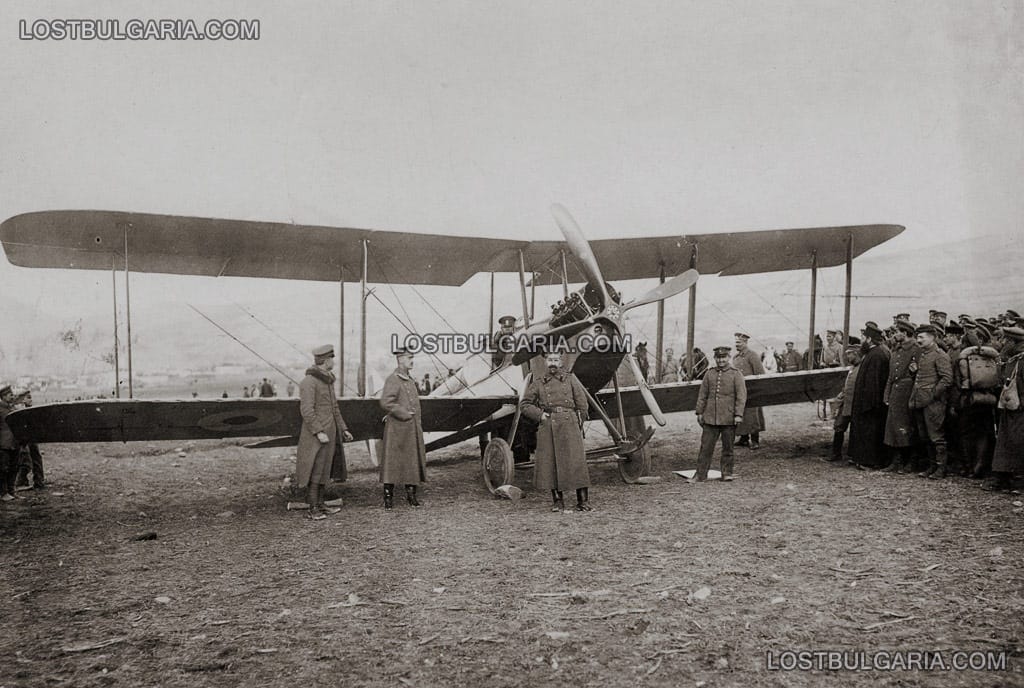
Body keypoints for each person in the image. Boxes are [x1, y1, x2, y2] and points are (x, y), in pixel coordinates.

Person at [520, 351, 592, 512]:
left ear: (560, 361)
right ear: (546, 362)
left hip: (570, 423)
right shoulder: (538, 382)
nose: (553, 363)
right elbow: (524, 404)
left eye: (556, 359)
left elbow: (582, 403)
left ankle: (583, 501)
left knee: (577, 462)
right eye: (550, 359)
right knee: (551, 464)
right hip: (549, 425)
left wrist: (579, 421)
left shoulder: (571, 379)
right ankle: (558, 502)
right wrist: (540, 415)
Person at [296, 345, 353, 520]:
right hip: (317, 436)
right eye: (332, 359)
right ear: (326, 360)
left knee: (324, 470)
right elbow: (306, 410)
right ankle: (313, 509)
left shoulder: (327, 380)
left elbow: (335, 408)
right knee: (315, 470)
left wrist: (344, 429)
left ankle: (321, 505)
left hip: (330, 433)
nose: (333, 362)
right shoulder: (309, 382)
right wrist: (319, 431)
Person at [379, 346, 428, 510]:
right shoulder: (393, 379)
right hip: (397, 429)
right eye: (409, 358)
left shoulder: (408, 378)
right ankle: (388, 498)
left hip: (410, 428)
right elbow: (386, 402)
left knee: (411, 461)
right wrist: (404, 413)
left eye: (412, 357)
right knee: (391, 463)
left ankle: (411, 495)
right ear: (400, 360)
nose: (412, 360)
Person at [694, 347, 746, 481]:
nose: (721, 360)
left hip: (729, 417)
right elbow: (702, 395)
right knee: (705, 448)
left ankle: (727, 473)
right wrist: (700, 412)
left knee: (728, 448)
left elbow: (741, 396)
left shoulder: (736, 374)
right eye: (718, 357)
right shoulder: (709, 374)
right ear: (715, 358)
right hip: (710, 417)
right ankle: (700, 475)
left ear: (728, 357)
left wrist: (738, 414)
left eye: (723, 357)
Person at [910, 324, 953, 479]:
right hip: (920, 400)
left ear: (932, 337)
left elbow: (947, 379)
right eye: (917, 337)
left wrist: (933, 394)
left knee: (936, 436)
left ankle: (941, 469)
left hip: (934, 403)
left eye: (921, 337)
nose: (918, 340)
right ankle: (932, 466)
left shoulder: (940, 355)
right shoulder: (923, 354)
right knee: (925, 436)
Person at [984, 326, 1024, 491]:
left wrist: (1021, 404)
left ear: (1015, 342)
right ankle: (1003, 478)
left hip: (1020, 410)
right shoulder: (1013, 359)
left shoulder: (1021, 360)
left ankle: (1019, 482)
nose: (1003, 343)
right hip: (1010, 409)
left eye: (1006, 340)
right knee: (1006, 443)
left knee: (1017, 443)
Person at [847, 323, 891, 468]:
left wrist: (868, 405)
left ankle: (870, 461)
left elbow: (874, 384)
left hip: (870, 404)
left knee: (870, 433)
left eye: (863, 338)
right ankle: (862, 459)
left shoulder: (876, 355)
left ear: (870, 340)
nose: (861, 341)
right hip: (867, 403)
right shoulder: (873, 354)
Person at [881, 320, 920, 472]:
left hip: (907, 391)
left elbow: (919, 373)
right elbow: (891, 376)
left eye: (897, 331)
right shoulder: (896, 350)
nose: (894, 334)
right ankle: (896, 461)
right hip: (896, 393)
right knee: (893, 428)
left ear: (905, 333)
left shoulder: (915, 349)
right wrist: (887, 394)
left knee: (908, 427)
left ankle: (910, 461)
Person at [827, 341, 861, 463]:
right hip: (845, 403)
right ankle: (836, 454)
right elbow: (848, 385)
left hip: (855, 404)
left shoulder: (861, 369)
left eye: (850, 354)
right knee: (839, 427)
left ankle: (854, 455)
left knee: (856, 430)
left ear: (856, 354)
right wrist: (841, 394)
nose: (847, 357)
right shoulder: (852, 368)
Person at [732, 333, 765, 449]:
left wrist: (756, 388)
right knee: (741, 414)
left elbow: (760, 373)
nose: (737, 345)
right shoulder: (735, 358)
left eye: (739, 343)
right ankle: (744, 438)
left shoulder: (752, 355)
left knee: (753, 415)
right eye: (736, 342)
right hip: (739, 391)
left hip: (752, 391)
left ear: (745, 343)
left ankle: (755, 440)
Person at [0, 385, 21, 500]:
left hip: (15, 443)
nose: (13, 397)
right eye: (10, 395)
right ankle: (3, 493)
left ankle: (12, 491)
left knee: (14, 468)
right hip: (3, 444)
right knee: (3, 469)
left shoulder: (13, 409)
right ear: (3, 397)